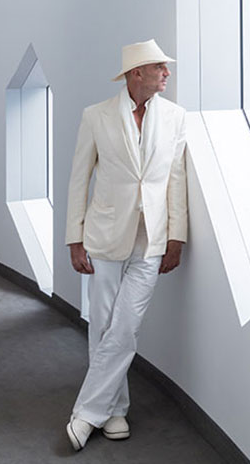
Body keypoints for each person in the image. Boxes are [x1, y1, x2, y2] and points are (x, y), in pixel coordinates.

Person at [64, 39, 188, 451]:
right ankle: (115, 409)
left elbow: (175, 180)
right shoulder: (96, 116)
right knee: (102, 324)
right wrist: (75, 238)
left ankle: (86, 414)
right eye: (159, 67)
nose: (166, 73)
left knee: (126, 326)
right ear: (137, 73)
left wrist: (176, 236)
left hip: (151, 240)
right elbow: (79, 179)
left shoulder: (175, 117)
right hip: (104, 236)